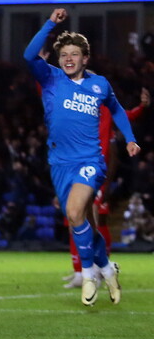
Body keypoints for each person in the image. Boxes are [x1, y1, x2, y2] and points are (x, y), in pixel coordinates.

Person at [23, 8, 140, 306]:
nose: (69, 58)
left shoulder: (99, 84)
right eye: (64, 54)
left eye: (74, 54)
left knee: (76, 213)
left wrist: (130, 139)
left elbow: (116, 110)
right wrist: (50, 24)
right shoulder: (50, 78)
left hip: (91, 161)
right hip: (60, 163)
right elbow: (28, 55)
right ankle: (105, 266)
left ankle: (88, 273)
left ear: (85, 58)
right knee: (82, 219)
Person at [62, 87, 147, 289]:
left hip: (95, 174)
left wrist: (142, 107)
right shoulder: (74, 111)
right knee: (75, 221)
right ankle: (80, 271)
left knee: (96, 221)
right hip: (76, 172)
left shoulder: (105, 110)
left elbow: (127, 117)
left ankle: (97, 268)